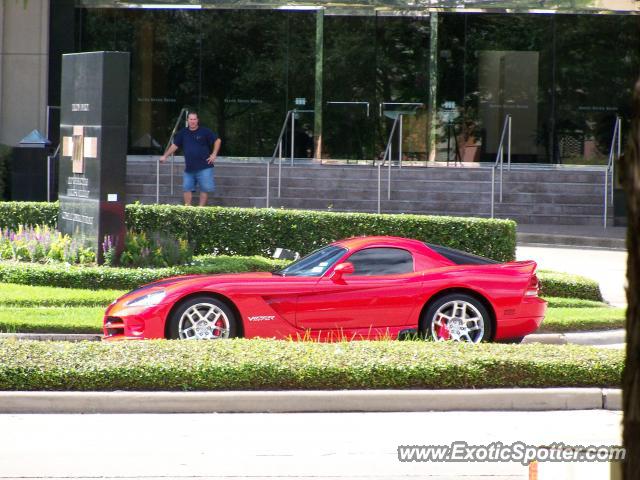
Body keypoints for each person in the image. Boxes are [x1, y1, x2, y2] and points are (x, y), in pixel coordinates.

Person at [160, 111, 221, 206]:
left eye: (194, 119)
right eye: (191, 119)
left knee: (204, 189)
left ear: (197, 120)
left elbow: (217, 140)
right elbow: (175, 145)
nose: (192, 121)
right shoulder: (183, 132)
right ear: (187, 120)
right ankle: (188, 209)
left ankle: (200, 210)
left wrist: (214, 154)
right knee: (186, 188)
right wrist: (165, 156)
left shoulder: (205, 131)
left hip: (205, 166)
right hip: (189, 168)